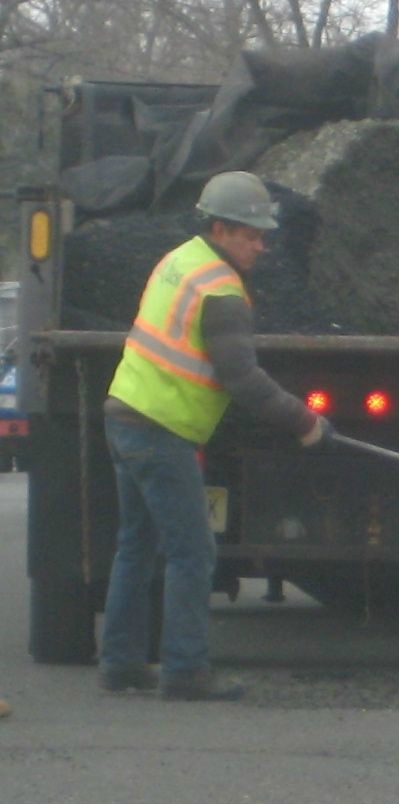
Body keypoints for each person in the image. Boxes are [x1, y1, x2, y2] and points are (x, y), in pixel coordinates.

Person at [99, 171, 333, 701]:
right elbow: (244, 379)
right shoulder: (222, 290)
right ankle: (184, 671)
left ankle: (120, 665)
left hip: (125, 413)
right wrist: (306, 424)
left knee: (136, 547)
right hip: (162, 428)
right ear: (222, 228)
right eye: (251, 234)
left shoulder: (180, 259)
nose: (260, 245)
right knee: (192, 552)